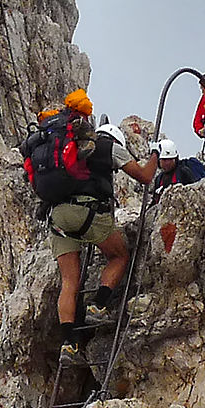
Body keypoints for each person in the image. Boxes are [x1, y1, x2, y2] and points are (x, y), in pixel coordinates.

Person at [42, 102, 154, 370]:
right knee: (118, 255)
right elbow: (145, 177)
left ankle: (69, 344)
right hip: (89, 213)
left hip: (57, 216)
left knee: (70, 280)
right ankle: (98, 305)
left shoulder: (68, 148)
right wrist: (154, 156)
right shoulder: (109, 147)